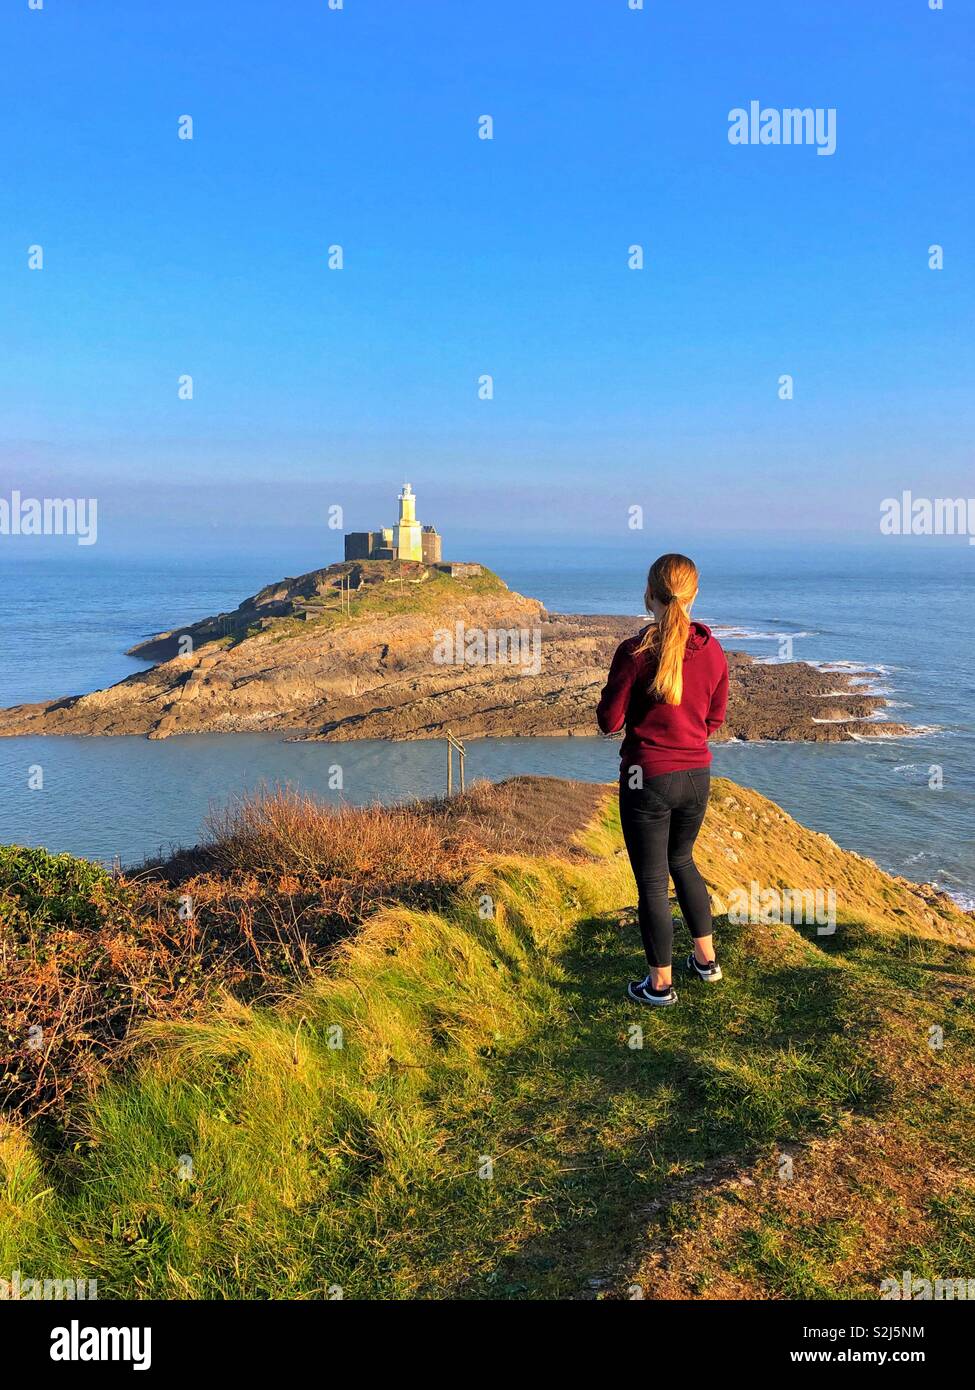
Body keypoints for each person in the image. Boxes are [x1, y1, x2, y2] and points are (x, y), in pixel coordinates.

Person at [597, 553, 729, 1007]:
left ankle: (659, 986)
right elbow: (715, 718)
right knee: (684, 861)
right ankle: (706, 961)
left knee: (652, 882)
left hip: (646, 777)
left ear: (649, 594)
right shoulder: (711, 650)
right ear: (694, 595)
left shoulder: (635, 652)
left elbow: (608, 721)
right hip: (697, 775)